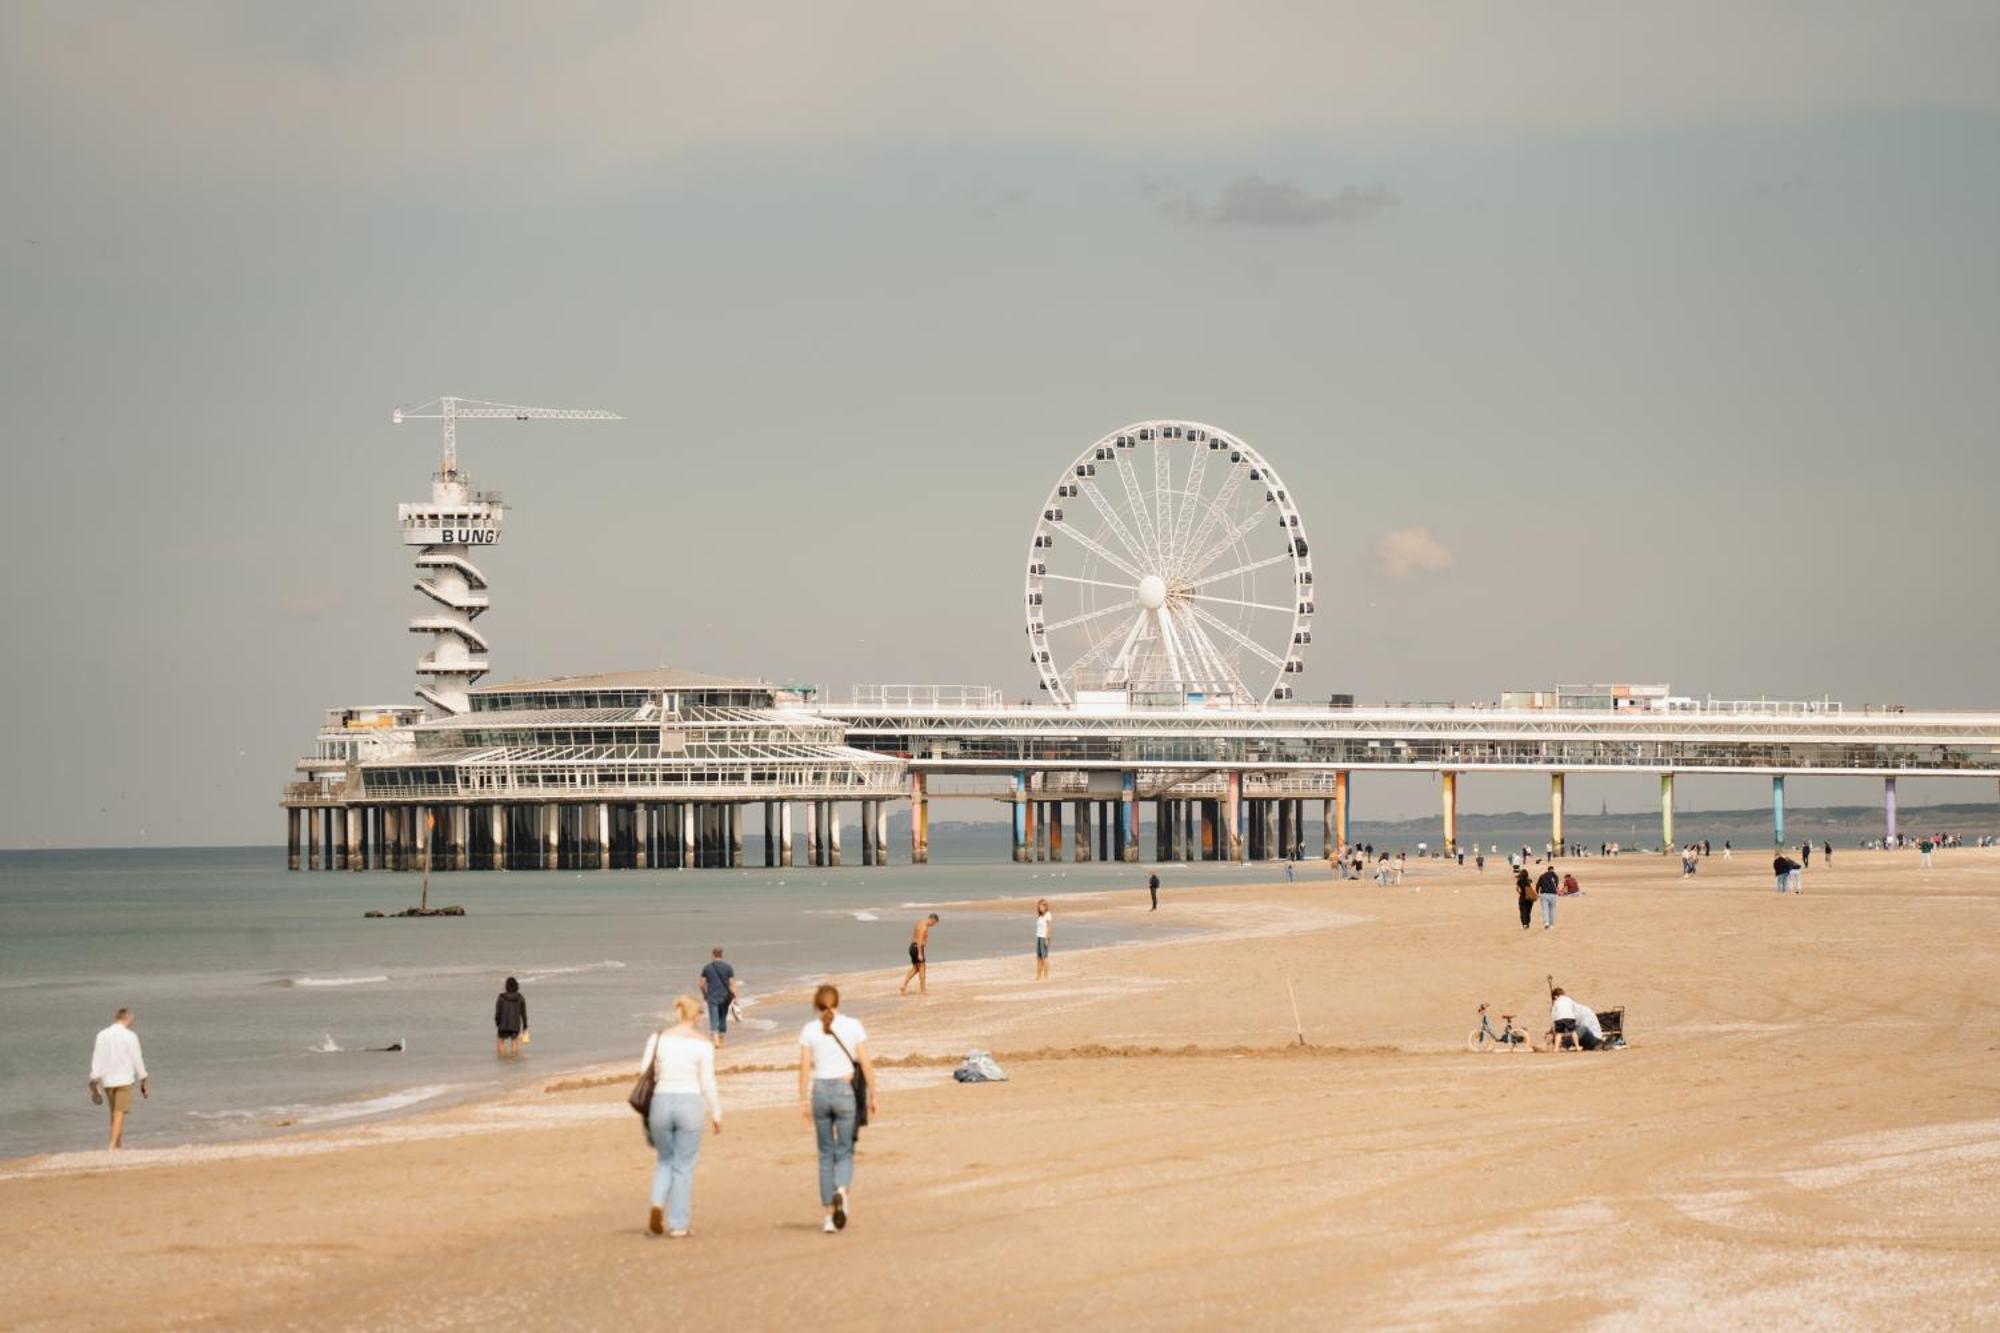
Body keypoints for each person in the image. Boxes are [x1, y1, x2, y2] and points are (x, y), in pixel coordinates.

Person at [639, 995, 722, 1238]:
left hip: (661, 1102)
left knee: (665, 1160)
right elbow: (707, 1082)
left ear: (677, 1013)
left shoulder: (658, 1039)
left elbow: (644, 1071)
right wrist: (716, 1112)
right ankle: (678, 1224)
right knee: (683, 1166)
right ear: (696, 1017)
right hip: (690, 1102)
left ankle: (656, 1204)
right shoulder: (703, 1044)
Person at [799, 984, 877, 1233]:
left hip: (820, 1091)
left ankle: (829, 1217)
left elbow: (804, 1069)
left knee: (825, 1154)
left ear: (816, 1004)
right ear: (838, 1001)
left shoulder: (809, 1029)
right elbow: (865, 1062)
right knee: (844, 1151)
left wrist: (803, 1101)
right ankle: (841, 1190)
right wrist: (874, 1094)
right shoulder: (853, 1025)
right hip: (845, 1091)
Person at [88, 1007, 148, 1150]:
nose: (133, 1022)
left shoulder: (101, 1035)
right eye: (132, 1020)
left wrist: (94, 1078)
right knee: (119, 1113)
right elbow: (137, 1058)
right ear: (127, 1018)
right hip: (124, 1079)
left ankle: (117, 1146)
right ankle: (111, 1146)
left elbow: (97, 1057)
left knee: (114, 1114)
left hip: (108, 1080)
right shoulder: (130, 1036)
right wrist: (144, 1079)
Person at [698, 947, 737, 1048]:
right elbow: (732, 983)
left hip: (712, 996)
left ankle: (716, 1042)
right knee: (723, 1018)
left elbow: (701, 984)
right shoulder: (728, 967)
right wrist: (736, 997)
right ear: (721, 955)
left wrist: (705, 995)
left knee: (713, 1018)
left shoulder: (707, 968)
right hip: (725, 996)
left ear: (713, 955)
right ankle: (721, 1041)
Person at [899, 913, 939, 995]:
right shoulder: (924, 927)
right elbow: (920, 940)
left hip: (912, 947)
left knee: (915, 969)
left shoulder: (919, 923)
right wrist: (920, 953)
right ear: (932, 919)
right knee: (922, 969)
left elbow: (915, 936)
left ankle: (904, 985)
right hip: (918, 948)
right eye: (934, 923)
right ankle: (923, 990)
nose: (933, 925)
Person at [495, 977, 528, 1058]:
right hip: (515, 1025)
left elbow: (498, 1012)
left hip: (503, 1024)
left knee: (500, 1043)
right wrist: (525, 1025)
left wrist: (497, 1022)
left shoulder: (501, 997)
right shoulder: (520, 998)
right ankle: (513, 1064)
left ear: (506, 986)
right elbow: (523, 1013)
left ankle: (502, 1061)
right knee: (514, 1043)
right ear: (517, 985)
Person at [1536, 863, 1560, 928]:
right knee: (1552, 909)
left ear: (1548, 870)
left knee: (1545, 909)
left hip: (1544, 894)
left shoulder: (1542, 876)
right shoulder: (1555, 876)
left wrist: (1537, 892)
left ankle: (1546, 922)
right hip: (1553, 894)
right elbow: (1556, 885)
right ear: (1553, 870)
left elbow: (1538, 885)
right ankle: (1551, 924)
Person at [1034, 898, 1052, 981]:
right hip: (1038, 937)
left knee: (1045, 957)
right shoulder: (1040, 916)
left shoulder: (1048, 914)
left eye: (1041, 906)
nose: (1040, 907)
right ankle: (1038, 976)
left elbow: (1049, 927)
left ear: (1045, 906)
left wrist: (1047, 939)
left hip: (1044, 937)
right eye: (1039, 906)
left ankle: (1046, 976)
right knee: (1038, 958)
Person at [1514, 866, 1536, 931]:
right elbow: (1532, 888)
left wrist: (1521, 893)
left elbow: (1517, 889)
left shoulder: (1519, 881)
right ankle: (1528, 923)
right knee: (1528, 911)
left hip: (1522, 898)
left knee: (1523, 911)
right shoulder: (1529, 880)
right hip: (1529, 898)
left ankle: (1524, 924)